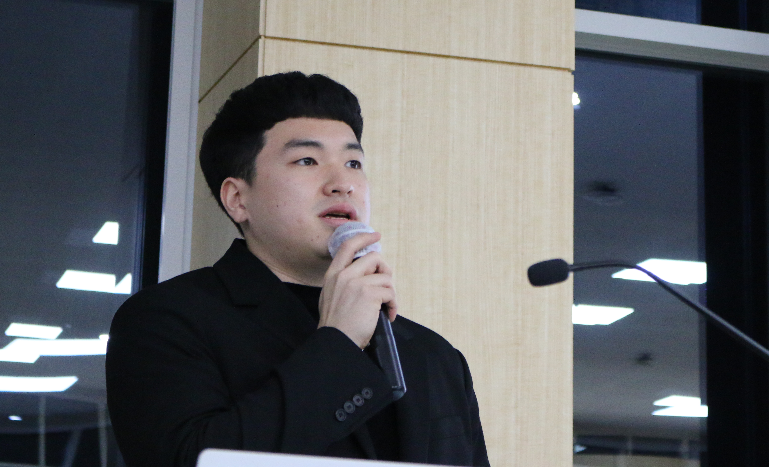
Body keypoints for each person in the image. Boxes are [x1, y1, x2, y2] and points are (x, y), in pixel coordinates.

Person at [106, 72, 488, 467]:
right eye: (307, 160)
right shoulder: (166, 321)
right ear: (237, 199)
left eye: (354, 162)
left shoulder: (435, 355)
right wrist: (339, 342)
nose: (342, 183)